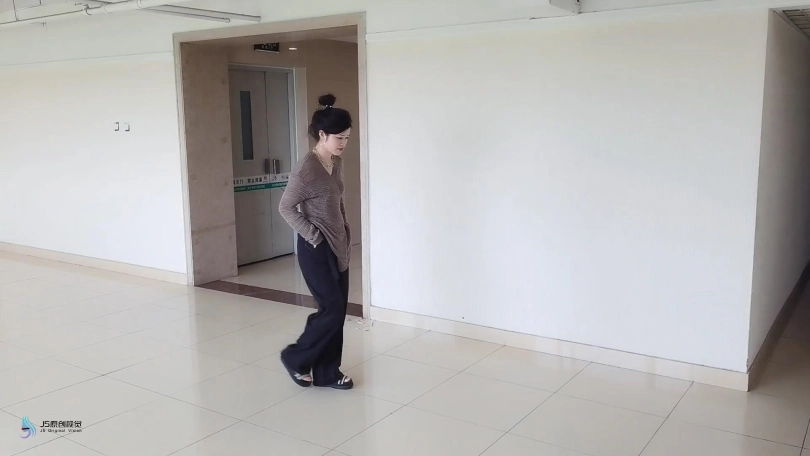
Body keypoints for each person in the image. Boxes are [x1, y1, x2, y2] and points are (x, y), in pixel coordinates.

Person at [277, 94, 354, 390]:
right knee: (331, 309)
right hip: (316, 248)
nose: (343, 142)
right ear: (322, 134)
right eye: (339, 137)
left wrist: (344, 233)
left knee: (337, 311)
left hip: (339, 245)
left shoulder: (336, 162)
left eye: (347, 137)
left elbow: (337, 201)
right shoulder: (306, 170)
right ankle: (295, 357)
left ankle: (327, 372)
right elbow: (285, 208)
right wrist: (314, 236)